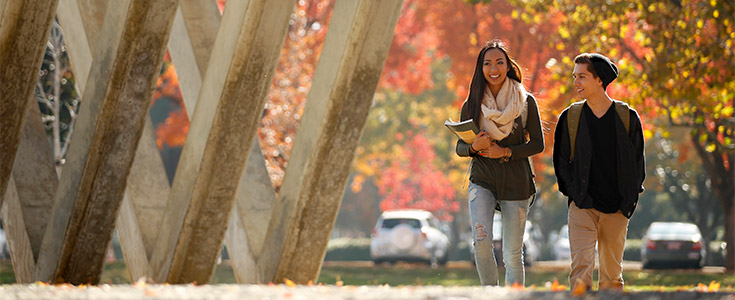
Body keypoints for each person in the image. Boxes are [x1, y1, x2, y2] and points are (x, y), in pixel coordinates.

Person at [552, 53, 645, 291]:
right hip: (582, 206)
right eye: (575, 77)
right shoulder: (570, 117)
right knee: (580, 270)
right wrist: (575, 196)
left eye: (582, 76)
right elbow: (561, 164)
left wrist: (627, 205)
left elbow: (637, 167)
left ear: (599, 80)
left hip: (616, 208)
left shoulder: (628, 118)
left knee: (612, 275)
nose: (576, 83)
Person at [455, 39, 544, 286]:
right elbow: (460, 147)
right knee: (481, 244)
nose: (493, 68)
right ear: (480, 68)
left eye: (499, 62)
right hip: (482, 179)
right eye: (487, 63)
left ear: (508, 66)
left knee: (512, 254)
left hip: (517, 182)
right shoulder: (471, 104)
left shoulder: (525, 102)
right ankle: (490, 294)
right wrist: (475, 147)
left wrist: (505, 151)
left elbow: (538, 144)